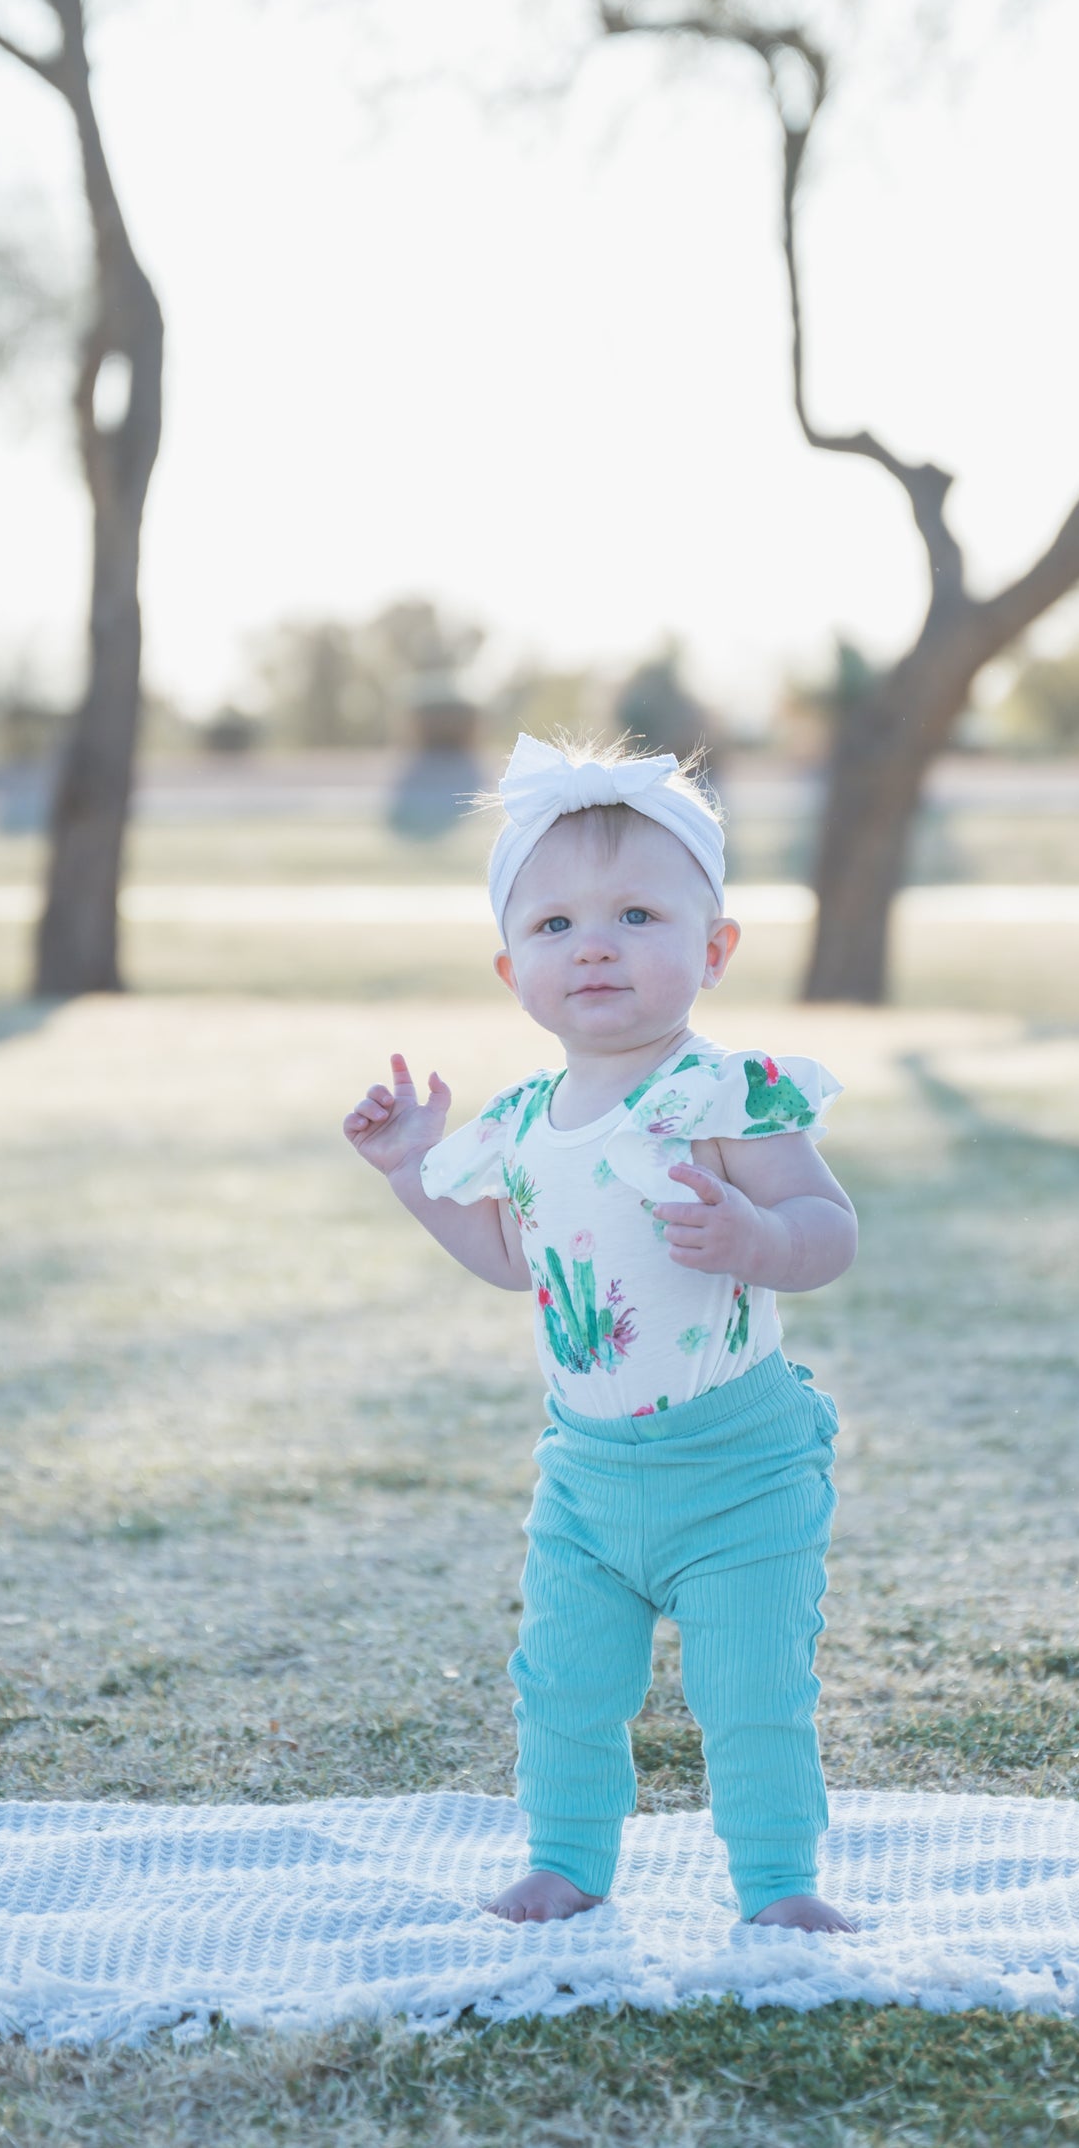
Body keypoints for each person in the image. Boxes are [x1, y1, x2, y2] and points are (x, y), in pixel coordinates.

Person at [343, 732, 859, 1932]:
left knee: (750, 1688)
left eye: (636, 914)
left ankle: (778, 1884)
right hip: (583, 1471)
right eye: (556, 926)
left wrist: (759, 1240)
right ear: (509, 966)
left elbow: (826, 1228)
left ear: (712, 949)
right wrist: (415, 1173)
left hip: (736, 1464)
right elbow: (512, 1262)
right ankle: (567, 1859)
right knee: (563, 1684)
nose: (596, 946)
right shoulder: (522, 1124)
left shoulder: (722, 1093)